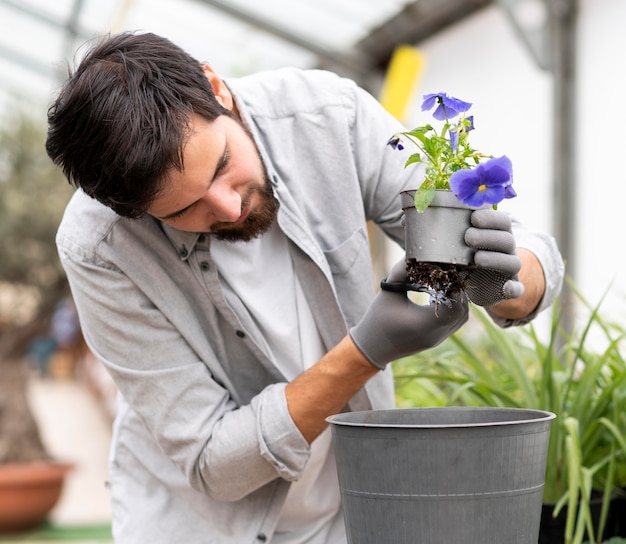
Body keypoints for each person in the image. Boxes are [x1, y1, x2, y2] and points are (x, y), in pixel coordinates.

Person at [46, 32, 564, 543]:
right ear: (131, 212)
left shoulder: (326, 118)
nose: (228, 207)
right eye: (184, 210)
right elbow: (212, 462)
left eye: (223, 165)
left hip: (356, 506)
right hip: (200, 526)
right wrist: (365, 351)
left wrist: (500, 278)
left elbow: (528, 258)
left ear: (215, 87)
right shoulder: (101, 247)